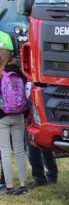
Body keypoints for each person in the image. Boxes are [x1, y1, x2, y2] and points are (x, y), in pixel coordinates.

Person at [0, 30, 30, 195]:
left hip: (2, 117)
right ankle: (23, 184)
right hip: (19, 114)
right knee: (19, 150)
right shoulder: (19, 71)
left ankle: (9, 186)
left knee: (5, 151)